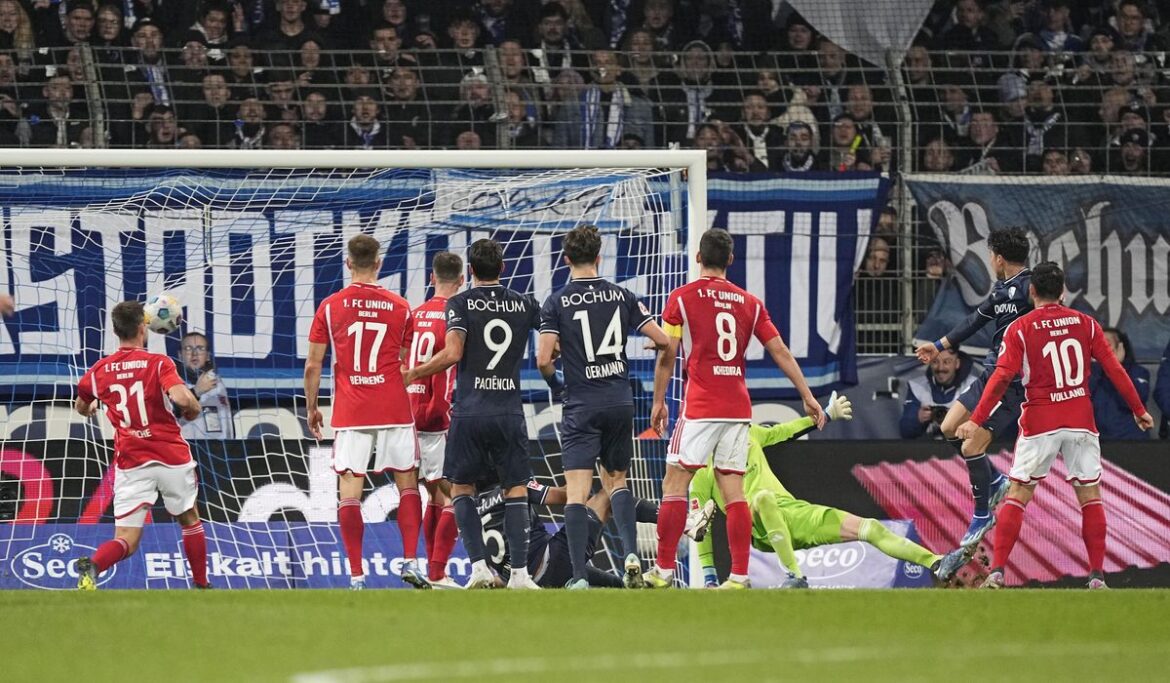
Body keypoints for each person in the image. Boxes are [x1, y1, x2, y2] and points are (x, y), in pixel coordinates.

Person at [645, 228, 826, 589]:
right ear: (730, 260)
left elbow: (668, 353)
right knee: (734, 491)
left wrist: (658, 400)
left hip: (700, 405)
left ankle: (664, 571)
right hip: (738, 408)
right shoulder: (749, 302)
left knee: (674, 483)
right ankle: (739, 576)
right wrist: (806, 394)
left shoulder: (681, 299)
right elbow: (780, 350)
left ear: (698, 257)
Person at [955, 262, 1154, 589]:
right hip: (1079, 420)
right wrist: (1138, 409)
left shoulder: (1020, 328)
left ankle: (998, 571)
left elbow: (1002, 377)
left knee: (1018, 494)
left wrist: (976, 419)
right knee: (1090, 496)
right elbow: (1115, 369)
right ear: (1063, 291)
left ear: (1032, 291)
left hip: (1040, 421)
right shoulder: (1086, 325)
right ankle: (1096, 577)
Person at [689, 394, 969, 587]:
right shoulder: (703, 468)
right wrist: (710, 577)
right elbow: (700, 526)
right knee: (763, 498)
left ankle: (936, 562)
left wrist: (825, 415)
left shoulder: (750, 434)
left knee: (869, 527)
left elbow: (785, 431)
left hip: (794, 513)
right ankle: (794, 576)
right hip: (759, 527)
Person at [535, 225, 670, 589]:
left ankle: (579, 576)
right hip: (618, 400)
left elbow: (543, 358)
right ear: (599, 257)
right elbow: (662, 340)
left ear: (566, 260)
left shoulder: (557, 301)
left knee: (577, 492)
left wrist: (558, 385)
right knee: (617, 482)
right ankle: (631, 555)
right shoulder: (621, 295)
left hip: (581, 403)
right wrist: (656, 381)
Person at [403, 239, 543, 590]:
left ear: (469, 272)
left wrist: (415, 373)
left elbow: (452, 353)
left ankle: (479, 568)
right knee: (515, 490)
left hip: (469, 411)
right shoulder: (524, 303)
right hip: (508, 410)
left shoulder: (460, 303)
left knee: (461, 488)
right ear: (504, 268)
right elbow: (553, 340)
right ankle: (521, 575)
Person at [304, 234, 427, 590]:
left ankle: (357, 575)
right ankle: (410, 561)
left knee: (350, 492)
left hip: (352, 410)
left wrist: (312, 408)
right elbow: (403, 361)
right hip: (393, 407)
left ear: (348, 264)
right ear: (378, 263)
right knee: (407, 484)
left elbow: (313, 365)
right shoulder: (402, 307)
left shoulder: (330, 306)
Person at [73, 301, 207, 590]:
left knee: (128, 539)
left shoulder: (100, 370)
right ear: (143, 327)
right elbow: (183, 400)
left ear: (115, 330)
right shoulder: (158, 363)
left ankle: (94, 565)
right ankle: (201, 584)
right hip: (170, 455)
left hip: (132, 461)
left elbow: (81, 406)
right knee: (189, 518)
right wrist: (193, 409)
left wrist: (92, 407)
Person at [915, 227, 1032, 550]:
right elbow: (974, 321)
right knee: (949, 426)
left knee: (970, 447)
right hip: (989, 374)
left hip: (1012, 383)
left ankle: (982, 514)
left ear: (997, 258)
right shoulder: (1002, 289)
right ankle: (994, 480)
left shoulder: (1030, 287)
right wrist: (937, 346)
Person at [475, 476, 659, 589]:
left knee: (614, 584)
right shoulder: (513, 485)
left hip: (523, 577)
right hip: (551, 558)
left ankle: (627, 586)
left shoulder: (473, 509)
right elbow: (565, 497)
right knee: (608, 494)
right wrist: (577, 474)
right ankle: (668, 518)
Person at [407, 252, 464, 588]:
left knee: (433, 496)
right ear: (461, 281)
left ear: (431, 278)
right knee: (460, 495)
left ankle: (432, 570)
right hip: (435, 416)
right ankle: (438, 572)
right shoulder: (456, 316)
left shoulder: (413, 315)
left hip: (405, 414)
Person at [900, 347, 978, 440]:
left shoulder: (973, 387)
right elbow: (905, 432)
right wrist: (917, 419)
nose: (940, 368)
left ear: (957, 363)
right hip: (926, 448)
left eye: (947, 362)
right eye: (935, 362)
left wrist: (959, 419)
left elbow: (987, 427)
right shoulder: (918, 387)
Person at [1089, 327, 1151, 440]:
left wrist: (1114, 370)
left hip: (1132, 442)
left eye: (1107, 344)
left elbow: (1131, 402)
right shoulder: (1089, 375)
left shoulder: (1139, 372)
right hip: (1098, 443)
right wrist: (1095, 368)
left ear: (1120, 348)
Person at [176, 332, 234, 439]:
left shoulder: (218, 384)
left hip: (219, 450)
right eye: (188, 348)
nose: (194, 354)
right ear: (180, 355)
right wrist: (196, 392)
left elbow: (227, 423)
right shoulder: (172, 384)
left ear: (207, 356)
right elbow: (166, 414)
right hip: (188, 449)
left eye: (200, 348)